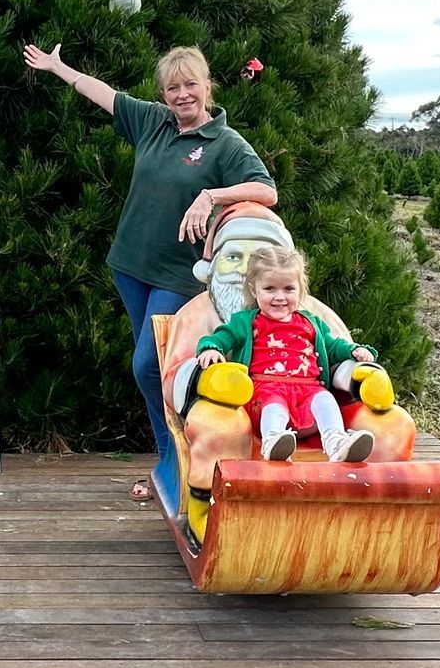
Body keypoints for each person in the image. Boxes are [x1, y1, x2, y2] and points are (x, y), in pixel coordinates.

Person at [21, 40, 276, 475]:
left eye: (190, 85)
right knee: (156, 367)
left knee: (151, 365)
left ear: (207, 87)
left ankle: (180, 460)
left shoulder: (226, 143)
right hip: (130, 267)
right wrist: (57, 67)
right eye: (172, 88)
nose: (182, 95)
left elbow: (267, 191)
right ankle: (173, 460)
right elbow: (101, 93)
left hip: (178, 275)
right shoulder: (153, 122)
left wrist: (211, 195)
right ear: (164, 95)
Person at [193, 241, 376, 465]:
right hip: (265, 390)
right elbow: (220, 337)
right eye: (270, 289)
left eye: (288, 289)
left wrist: (355, 350)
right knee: (274, 405)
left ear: (300, 290)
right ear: (254, 289)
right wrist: (211, 348)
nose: (280, 297)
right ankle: (274, 442)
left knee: (326, 399)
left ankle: (336, 442)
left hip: (308, 390)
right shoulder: (247, 322)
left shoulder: (311, 323)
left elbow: (333, 346)